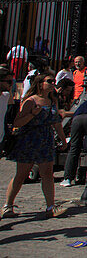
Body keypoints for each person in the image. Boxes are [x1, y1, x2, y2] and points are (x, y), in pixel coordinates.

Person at [3, 72, 68, 218]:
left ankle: (50, 206)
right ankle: (8, 205)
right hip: (29, 140)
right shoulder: (30, 101)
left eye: (53, 81)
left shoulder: (52, 100)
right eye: (49, 81)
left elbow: (56, 122)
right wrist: (32, 114)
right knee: (21, 175)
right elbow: (17, 123)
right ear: (40, 84)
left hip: (46, 140)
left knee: (47, 174)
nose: (52, 84)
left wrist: (63, 140)